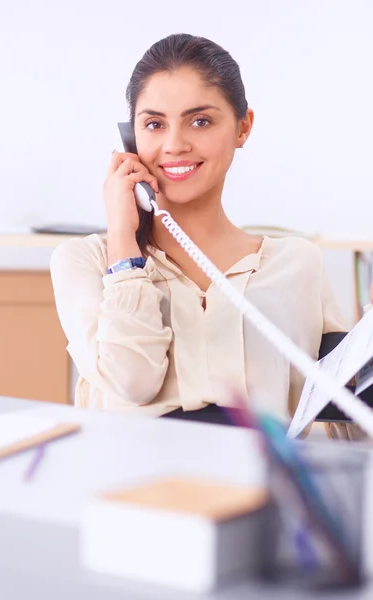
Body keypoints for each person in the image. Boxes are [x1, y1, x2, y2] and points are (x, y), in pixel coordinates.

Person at [50, 33, 373, 439]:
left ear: (243, 127)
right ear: (130, 138)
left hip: (259, 493)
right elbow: (132, 382)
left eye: (200, 121)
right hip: (131, 493)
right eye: (153, 124)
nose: (174, 145)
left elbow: (349, 432)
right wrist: (123, 240)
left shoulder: (296, 264)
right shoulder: (85, 262)